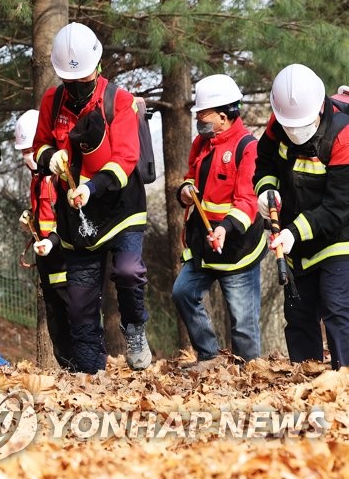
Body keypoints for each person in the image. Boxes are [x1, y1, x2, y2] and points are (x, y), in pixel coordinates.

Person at [32, 22, 151, 373]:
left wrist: (91, 186)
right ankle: (89, 374)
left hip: (121, 207)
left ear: (97, 68)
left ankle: (134, 328)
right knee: (80, 303)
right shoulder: (52, 102)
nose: (76, 88)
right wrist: (47, 157)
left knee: (128, 272)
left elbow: (126, 159)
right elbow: (40, 145)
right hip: (76, 214)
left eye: (82, 80)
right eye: (70, 82)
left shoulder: (121, 101)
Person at [254, 63, 349, 370]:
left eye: (301, 126)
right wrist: (267, 191)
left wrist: (292, 233)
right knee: (299, 312)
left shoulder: (343, 136)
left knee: (337, 307)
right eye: (288, 126)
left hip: (339, 237)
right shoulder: (278, 121)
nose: (294, 132)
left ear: (320, 107)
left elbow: (337, 208)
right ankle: (304, 385)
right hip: (296, 239)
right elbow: (265, 163)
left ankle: (344, 381)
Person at [172, 75, 266, 365]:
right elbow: (191, 178)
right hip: (204, 246)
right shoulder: (200, 143)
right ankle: (209, 355)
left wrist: (225, 228)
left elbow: (247, 200)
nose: (198, 119)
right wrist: (185, 191)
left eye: (203, 114)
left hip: (238, 249)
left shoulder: (247, 147)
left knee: (242, 323)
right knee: (183, 292)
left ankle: (249, 373)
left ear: (223, 116)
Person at [15, 108, 73, 370]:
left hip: (67, 263)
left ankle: (82, 371)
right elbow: (44, 212)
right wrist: (31, 216)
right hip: (48, 264)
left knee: (74, 319)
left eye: (29, 150)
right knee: (56, 321)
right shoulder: (37, 179)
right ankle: (67, 369)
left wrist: (53, 240)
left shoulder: (62, 178)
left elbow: (72, 221)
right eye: (23, 153)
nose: (27, 157)